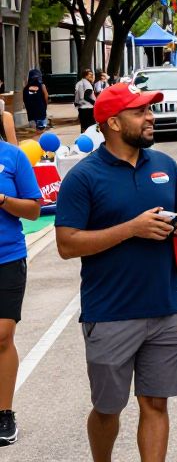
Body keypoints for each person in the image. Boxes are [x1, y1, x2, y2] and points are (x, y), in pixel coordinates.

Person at [55, 82, 177, 462]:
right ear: (113, 123)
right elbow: (66, 245)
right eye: (141, 112)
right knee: (108, 408)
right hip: (111, 313)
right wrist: (130, 229)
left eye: (150, 110)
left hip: (166, 309)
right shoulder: (83, 177)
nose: (151, 117)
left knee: (156, 404)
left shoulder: (165, 166)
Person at [0, 134, 43, 446]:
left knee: (2, 335)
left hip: (7, 257)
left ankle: (4, 412)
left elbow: (33, 211)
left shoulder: (13, 157)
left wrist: (1, 199)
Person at [74, 68, 97, 133]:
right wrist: (95, 103)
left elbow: (76, 96)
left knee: (83, 126)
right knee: (92, 126)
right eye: (90, 75)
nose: (91, 76)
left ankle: (83, 140)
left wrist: (76, 105)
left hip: (81, 108)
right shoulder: (87, 84)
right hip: (88, 108)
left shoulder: (79, 83)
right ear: (85, 76)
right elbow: (86, 97)